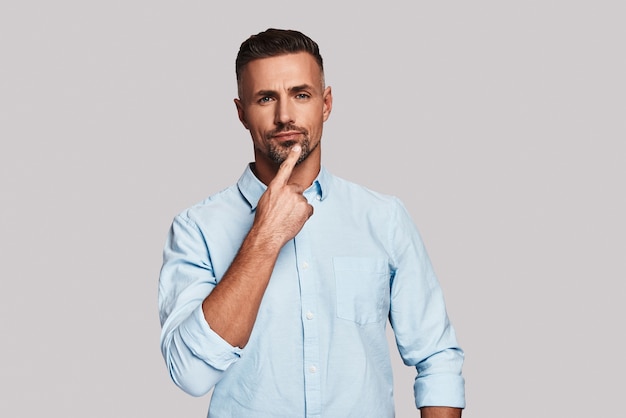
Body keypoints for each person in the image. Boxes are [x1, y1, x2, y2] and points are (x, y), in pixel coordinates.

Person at [158, 28, 465, 418]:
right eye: (266, 98)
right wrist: (264, 238)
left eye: (301, 95)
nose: (285, 115)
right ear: (241, 113)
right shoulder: (196, 229)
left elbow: (437, 358)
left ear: (326, 103)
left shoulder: (383, 218)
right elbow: (191, 374)